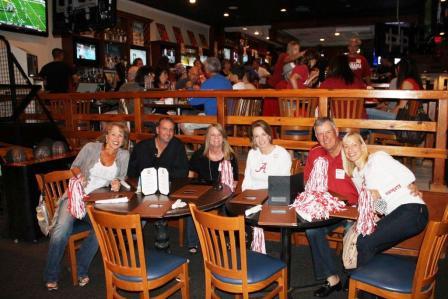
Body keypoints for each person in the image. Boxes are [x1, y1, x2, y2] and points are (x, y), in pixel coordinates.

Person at [44, 122, 130, 291]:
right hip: (75, 197)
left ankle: (80, 269)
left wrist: (117, 182)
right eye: (113, 134)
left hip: (95, 203)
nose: (116, 138)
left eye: (120, 135)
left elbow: (121, 176)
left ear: (123, 140)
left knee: (101, 230)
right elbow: (74, 166)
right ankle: (51, 275)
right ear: (107, 136)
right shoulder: (91, 147)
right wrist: (80, 175)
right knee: (61, 231)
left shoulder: (124, 155)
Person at [342, 132, 428, 267]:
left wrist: (381, 193)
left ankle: (358, 281)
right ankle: (362, 282)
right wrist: (377, 201)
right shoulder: (357, 175)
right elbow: (381, 209)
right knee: (367, 244)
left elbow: (407, 175)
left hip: (412, 209)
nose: (350, 150)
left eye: (354, 145)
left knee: (364, 242)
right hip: (395, 213)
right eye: (346, 146)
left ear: (362, 146)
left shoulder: (377, 158)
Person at [304, 117, 359, 297]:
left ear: (336, 131)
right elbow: (307, 183)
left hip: (352, 209)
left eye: (328, 132)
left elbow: (372, 182)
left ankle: (354, 277)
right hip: (327, 208)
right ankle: (332, 278)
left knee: (354, 233)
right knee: (312, 230)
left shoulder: (350, 151)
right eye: (320, 134)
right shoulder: (315, 154)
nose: (325, 138)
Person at [127, 117, 189, 251]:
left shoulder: (177, 146)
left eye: (171, 130)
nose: (168, 133)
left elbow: (183, 172)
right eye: (165, 129)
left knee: (160, 203)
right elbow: (132, 172)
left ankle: (161, 238)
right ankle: (134, 231)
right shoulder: (142, 147)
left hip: (168, 189)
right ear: (157, 130)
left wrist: (163, 177)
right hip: (143, 190)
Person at [186, 124, 239, 253]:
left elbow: (235, 180)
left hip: (224, 190)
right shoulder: (199, 155)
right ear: (208, 138)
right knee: (192, 204)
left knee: (230, 205)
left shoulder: (230, 156)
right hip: (203, 190)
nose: (216, 138)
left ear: (223, 137)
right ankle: (193, 242)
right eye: (212, 135)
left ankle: (230, 239)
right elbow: (191, 174)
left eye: (219, 135)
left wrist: (226, 192)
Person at [182, 57, 232, 135]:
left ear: (207, 70)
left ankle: (196, 145)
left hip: (214, 119)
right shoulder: (226, 81)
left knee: (183, 124)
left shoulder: (209, 83)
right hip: (228, 118)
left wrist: (189, 88)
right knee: (198, 115)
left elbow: (192, 101)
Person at [242, 120, 291, 191]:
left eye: (263, 134)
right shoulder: (252, 153)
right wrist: (245, 196)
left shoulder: (282, 154)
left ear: (269, 136)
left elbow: (282, 184)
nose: (261, 139)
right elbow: (247, 180)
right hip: (253, 196)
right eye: (256, 136)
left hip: (273, 195)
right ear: (253, 139)